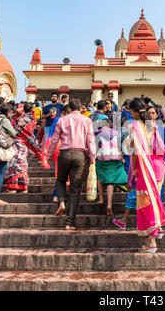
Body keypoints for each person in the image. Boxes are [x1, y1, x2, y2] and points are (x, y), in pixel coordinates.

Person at [47, 99, 96, 231]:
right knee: (75, 189)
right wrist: (93, 157)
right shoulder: (87, 120)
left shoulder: (62, 120)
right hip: (80, 155)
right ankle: (70, 222)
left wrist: (49, 155)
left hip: (64, 153)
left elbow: (55, 139)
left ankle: (61, 201)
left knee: (61, 180)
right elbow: (90, 140)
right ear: (81, 108)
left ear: (69, 109)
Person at [129, 98, 165, 254]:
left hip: (144, 167)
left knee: (146, 202)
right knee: (153, 198)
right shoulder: (151, 125)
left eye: (130, 111)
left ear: (134, 111)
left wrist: (134, 170)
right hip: (155, 166)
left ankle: (152, 242)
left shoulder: (135, 126)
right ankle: (157, 230)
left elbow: (134, 150)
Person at [4, 103, 42, 194]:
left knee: (14, 165)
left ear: (23, 109)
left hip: (16, 143)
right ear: (31, 109)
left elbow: (14, 130)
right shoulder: (33, 119)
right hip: (24, 145)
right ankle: (23, 187)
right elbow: (30, 135)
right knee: (22, 164)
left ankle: (13, 188)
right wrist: (38, 147)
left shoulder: (19, 119)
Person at [94, 119, 127, 216]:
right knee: (110, 182)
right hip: (114, 157)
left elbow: (95, 147)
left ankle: (100, 198)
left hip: (101, 157)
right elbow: (120, 147)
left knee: (100, 177)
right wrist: (122, 158)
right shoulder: (116, 133)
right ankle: (109, 204)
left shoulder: (97, 133)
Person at [0, 104, 17, 203]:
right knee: (0, 173)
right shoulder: (5, 120)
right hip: (0, 150)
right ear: (8, 112)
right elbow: (13, 133)